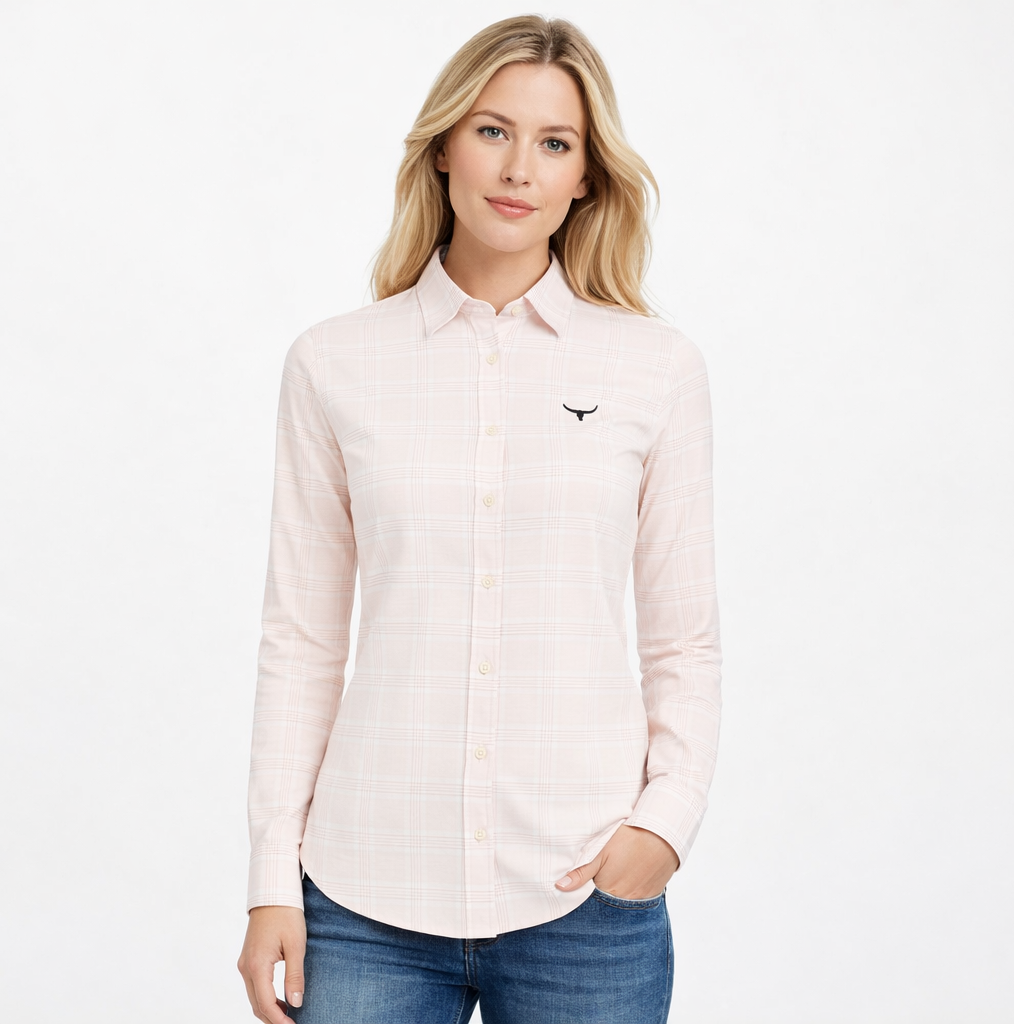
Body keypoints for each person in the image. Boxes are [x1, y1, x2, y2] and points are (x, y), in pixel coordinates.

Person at [237, 14, 722, 1024]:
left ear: (586, 176)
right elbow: (302, 638)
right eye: (493, 130)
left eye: (555, 143)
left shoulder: (656, 369)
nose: (518, 169)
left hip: (584, 894)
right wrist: (271, 878)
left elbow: (683, 638)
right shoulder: (334, 363)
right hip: (363, 895)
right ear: (444, 146)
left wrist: (665, 824)